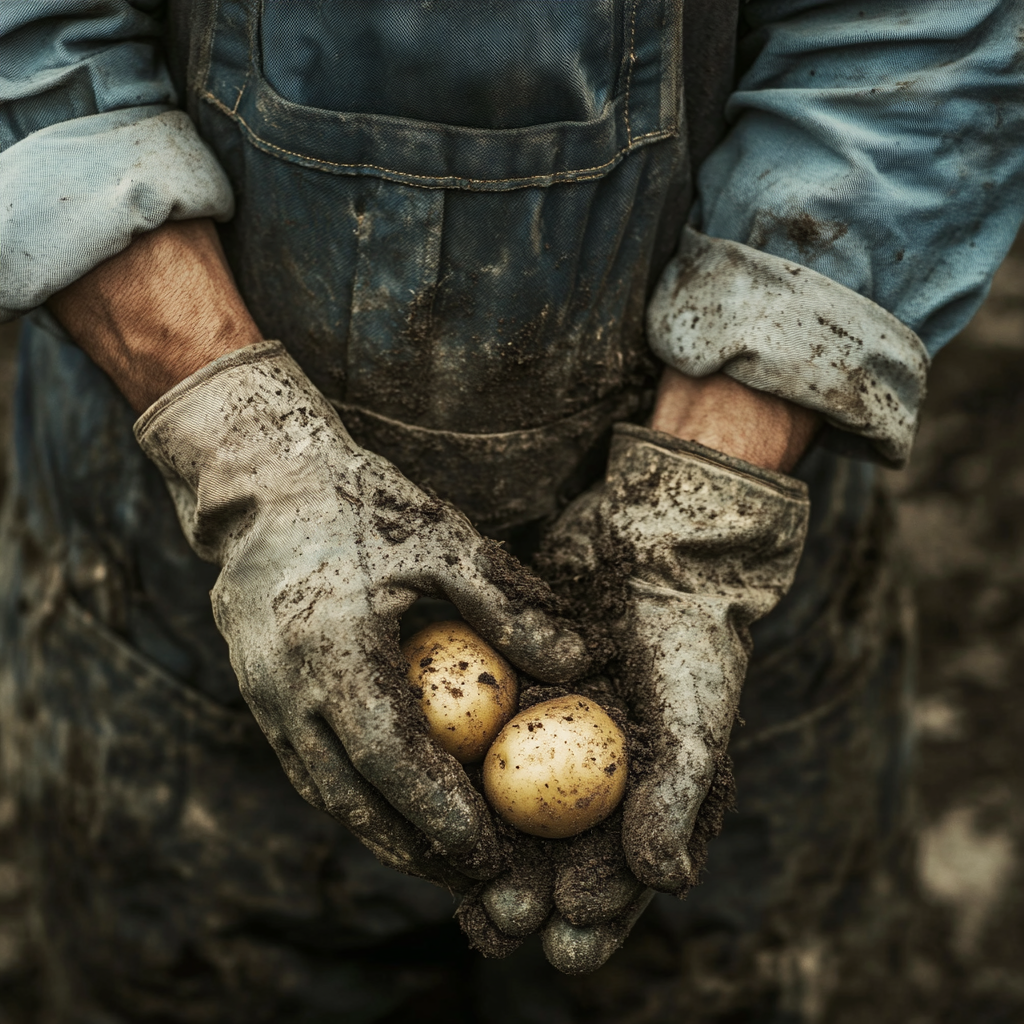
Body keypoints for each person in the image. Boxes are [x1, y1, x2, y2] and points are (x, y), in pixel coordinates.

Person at [1, 2, 1023, 1021]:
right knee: (209, 970)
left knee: (722, 969)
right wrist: (241, 449)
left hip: (730, 586)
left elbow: (922, 47)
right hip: (170, 554)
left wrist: (706, 493)